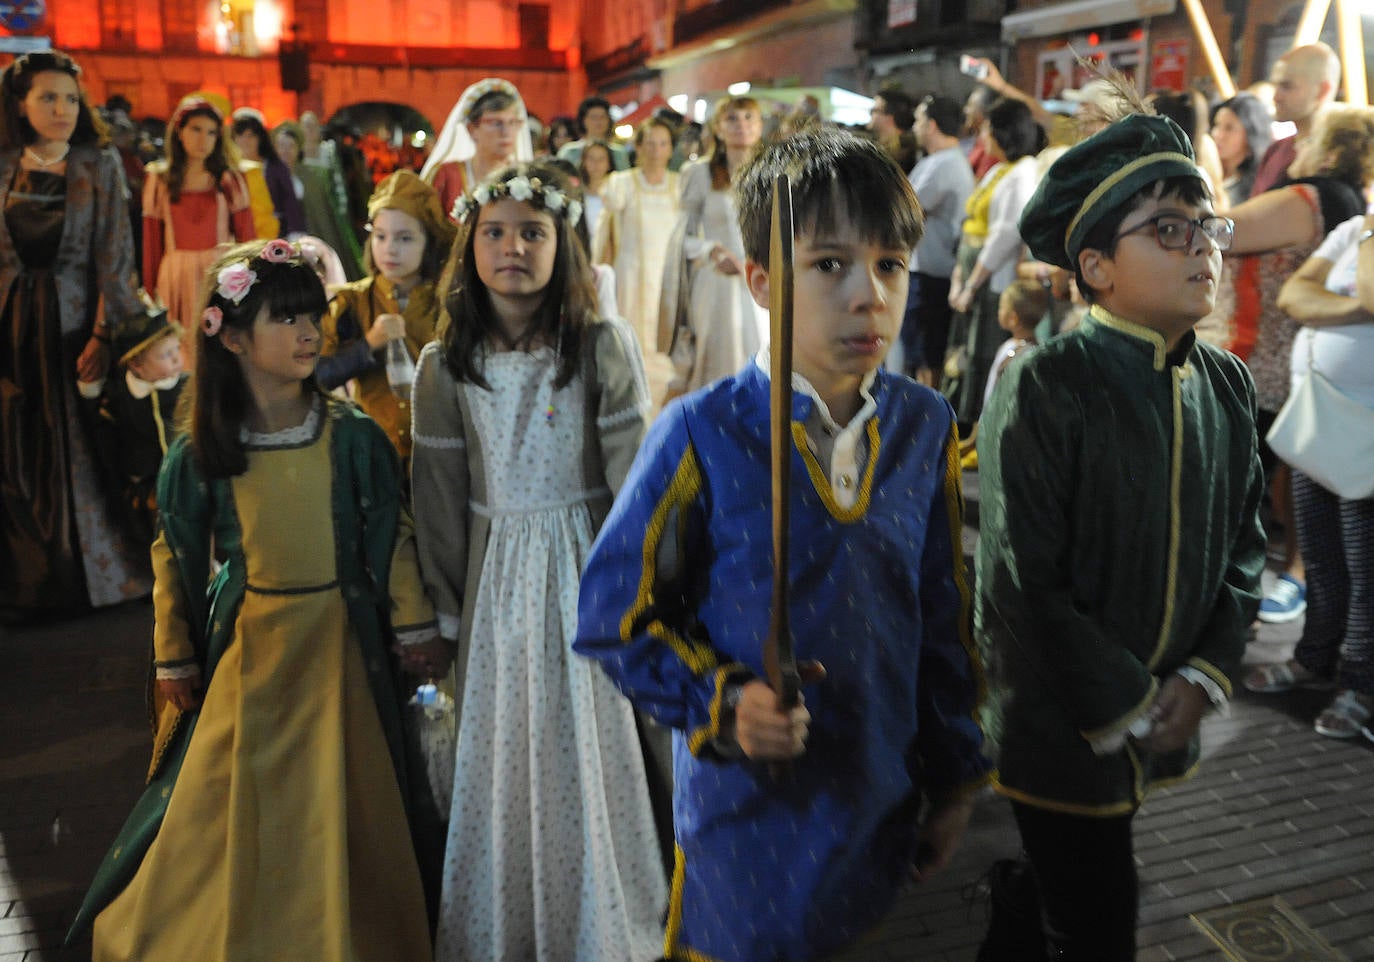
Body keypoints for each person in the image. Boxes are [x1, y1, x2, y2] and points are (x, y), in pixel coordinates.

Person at [574, 126, 991, 962]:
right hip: (747, 818)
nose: (868, 294)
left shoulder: (924, 425)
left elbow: (941, 616)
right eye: (829, 264)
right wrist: (723, 704)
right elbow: (612, 618)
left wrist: (954, 779)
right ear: (762, 280)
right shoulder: (702, 431)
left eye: (890, 265)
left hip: (881, 806)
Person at [73, 239, 442, 961]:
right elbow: (174, 556)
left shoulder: (352, 438)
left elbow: (390, 536)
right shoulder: (205, 451)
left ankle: (349, 928)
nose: (311, 333)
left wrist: (412, 621)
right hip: (252, 650)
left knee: (342, 795)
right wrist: (173, 654)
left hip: (342, 649)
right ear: (233, 337)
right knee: (243, 790)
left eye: (315, 317)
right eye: (288, 319)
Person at [977, 114, 1266, 961]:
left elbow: (1246, 544)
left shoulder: (1225, 383)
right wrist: (1130, 700)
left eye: (1206, 225)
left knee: (1073, 892)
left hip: (1160, 709)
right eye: (1167, 230)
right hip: (1062, 723)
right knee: (1101, 925)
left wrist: (1207, 672)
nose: (1201, 247)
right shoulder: (1047, 385)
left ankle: (1015, 912)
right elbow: (1019, 580)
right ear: (1095, 268)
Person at [411, 162, 664, 961]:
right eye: (493, 232)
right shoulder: (444, 363)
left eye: (533, 232)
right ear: (468, 245)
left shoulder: (598, 345)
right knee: (507, 752)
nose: (512, 248)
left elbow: (637, 480)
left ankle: (602, 918)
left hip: (587, 574)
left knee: (595, 750)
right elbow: (441, 496)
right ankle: (511, 922)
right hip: (500, 591)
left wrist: (647, 587)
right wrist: (446, 611)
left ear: (564, 246)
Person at [0, 50, 151, 620]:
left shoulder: (99, 163)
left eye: (69, 97)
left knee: (83, 449)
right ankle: (26, 582)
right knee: (15, 450)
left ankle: (90, 579)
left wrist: (106, 334)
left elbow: (115, 255)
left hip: (73, 325)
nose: (61, 109)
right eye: (47, 97)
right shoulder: (4, 162)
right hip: (11, 329)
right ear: (20, 104)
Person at [1222, 105, 1373, 623]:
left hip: (1266, 369)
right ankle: (1299, 602)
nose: (1294, 149)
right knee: (1306, 511)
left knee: (1239, 495)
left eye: (1308, 140)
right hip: (1300, 376)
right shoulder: (1351, 213)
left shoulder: (1313, 198)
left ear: (1330, 153)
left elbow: (1220, 232)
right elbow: (1301, 293)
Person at [1244, 214, 1374, 739]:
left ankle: (1361, 686)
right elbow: (1296, 297)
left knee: (1365, 569)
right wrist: (1357, 311)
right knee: (1320, 557)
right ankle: (1315, 658)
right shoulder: (1352, 229)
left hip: (1365, 427)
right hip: (1319, 418)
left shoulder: (1363, 236)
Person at [317, 169, 455, 464]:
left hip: (440, 449)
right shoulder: (351, 301)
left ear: (428, 242)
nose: (390, 248)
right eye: (380, 236)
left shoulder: (446, 302)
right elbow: (315, 377)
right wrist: (367, 345)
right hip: (374, 451)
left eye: (405, 238)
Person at [659, 95, 767, 400]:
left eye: (748, 118)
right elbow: (682, 235)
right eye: (732, 119)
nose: (741, 126)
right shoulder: (700, 173)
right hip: (717, 283)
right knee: (719, 361)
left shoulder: (770, 173)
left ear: (759, 127)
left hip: (761, 281)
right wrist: (712, 251)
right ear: (718, 128)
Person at [947, 97, 1044, 428]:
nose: (983, 136)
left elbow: (1005, 233)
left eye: (988, 128)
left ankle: (977, 426)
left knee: (984, 351)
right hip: (975, 272)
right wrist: (960, 278)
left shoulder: (1023, 172)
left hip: (992, 278)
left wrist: (970, 283)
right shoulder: (1000, 169)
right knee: (968, 352)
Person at [142, 96, 257, 366]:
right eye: (196, 129)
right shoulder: (159, 179)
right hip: (175, 277)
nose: (203, 139)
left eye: (211, 132)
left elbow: (246, 238)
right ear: (179, 132)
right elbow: (151, 242)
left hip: (215, 276)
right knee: (178, 354)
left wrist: (249, 286)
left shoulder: (229, 179)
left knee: (217, 352)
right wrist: (149, 294)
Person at [92, 303, 188, 548]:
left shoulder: (188, 388)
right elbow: (110, 441)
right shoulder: (122, 397)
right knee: (158, 538)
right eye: (166, 354)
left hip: (189, 479)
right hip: (147, 485)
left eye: (177, 349)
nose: (178, 358)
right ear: (136, 365)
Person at [594, 117, 680, 385]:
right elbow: (603, 230)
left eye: (663, 144)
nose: (656, 150)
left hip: (668, 273)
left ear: (670, 148)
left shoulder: (679, 185)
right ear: (639, 147)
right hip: (630, 271)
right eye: (650, 143)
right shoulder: (622, 183)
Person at [903, 94, 975, 383]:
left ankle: (925, 422)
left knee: (926, 355)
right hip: (929, 271)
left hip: (933, 273)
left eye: (919, 120)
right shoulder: (939, 161)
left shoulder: (945, 164)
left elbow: (906, 207)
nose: (915, 127)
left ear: (932, 125)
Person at [421, 78, 534, 219]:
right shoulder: (446, 177)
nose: (506, 132)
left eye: (513, 123)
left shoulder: (528, 178)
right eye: (496, 123)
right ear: (472, 129)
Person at [273, 119, 363, 279]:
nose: (286, 151)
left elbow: (321, 213)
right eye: (281, 146)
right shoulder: (269, 175)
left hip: (309, 236)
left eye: (290, 146)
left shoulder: (310, 176)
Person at [1251, 42, 1341, 198]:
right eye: (1276, 86)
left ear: (1322, 91)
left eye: (1287, 86)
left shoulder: (1338, 158)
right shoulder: (1276, 149)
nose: (1276, 97)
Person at [231, 107, 305, 237]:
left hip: (274, 234)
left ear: (260, 138)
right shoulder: (230, 168)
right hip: (239, 235)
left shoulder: (275, 167)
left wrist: (295, 234)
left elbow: (290, 203)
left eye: (250, 136)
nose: (245, 141)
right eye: (240, 135)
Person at [1210, 93, 1274, 207]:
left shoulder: (1258, 187)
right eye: (1217, 125)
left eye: (1229, 128)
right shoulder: (1208, 171)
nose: (1217, 134)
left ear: (1251, 135)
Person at [557, 95, 630, 171]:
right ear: (583, 120)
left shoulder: (618, 153)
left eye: (602, 117)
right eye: (593, 117)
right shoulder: (570, 151)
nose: (598, 122)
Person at [869, 88, 919, 173]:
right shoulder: (877, 147)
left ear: (889, 116)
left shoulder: (906, 154)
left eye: (874, 110)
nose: (870, 114)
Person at [577, 138, 615, 239]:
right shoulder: (576, 194)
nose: (596, 163)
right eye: (591, 158)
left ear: (609, 163)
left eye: (601, 159)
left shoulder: (618, 192)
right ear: (584, 162)